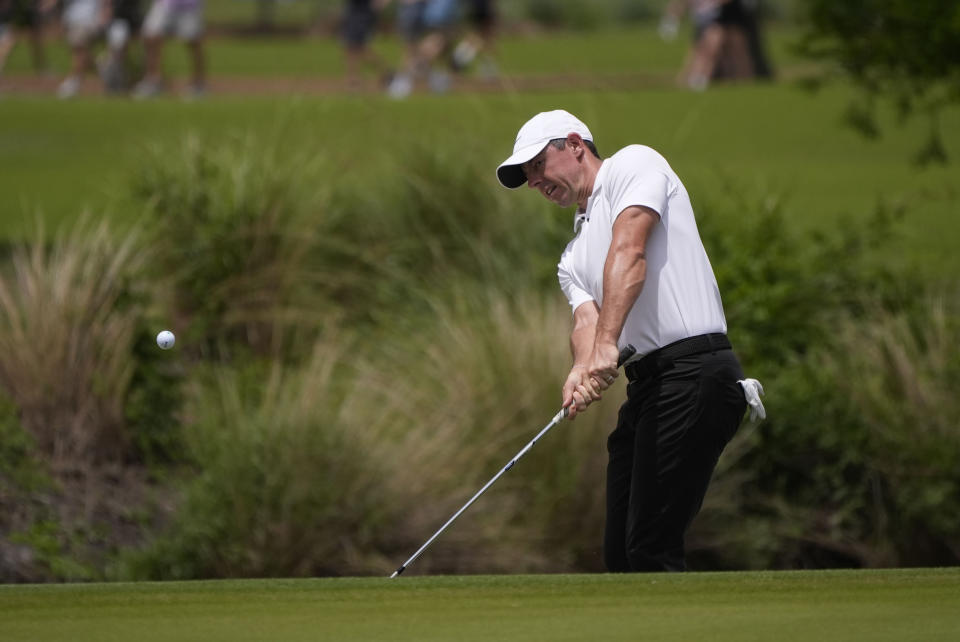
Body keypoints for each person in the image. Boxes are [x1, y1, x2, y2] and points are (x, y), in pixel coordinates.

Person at [495, 110, 765, 572]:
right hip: (649, 388)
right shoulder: (572, 255)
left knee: (650, 549)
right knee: (622, 556)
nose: (535, 181)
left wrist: (606, 345)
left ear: (576, 143)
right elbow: (586, 322)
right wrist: (581, 368)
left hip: (696, 372)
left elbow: (630, 251)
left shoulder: (633, 165)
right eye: (527, 177)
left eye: (538, 165)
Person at [132, 0, 205, 99]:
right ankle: (153, 81)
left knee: (193, 43)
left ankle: (198, 84)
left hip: (189, 5)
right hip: (164, 4)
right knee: (150, 36)